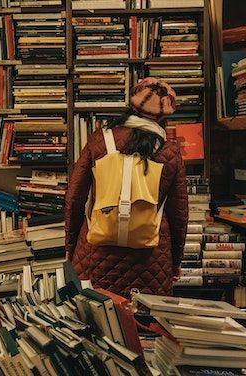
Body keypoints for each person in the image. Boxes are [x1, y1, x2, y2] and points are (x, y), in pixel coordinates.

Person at [65, 78, 188, 298]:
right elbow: (179, 214)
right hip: (151, 260)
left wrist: (71, 247)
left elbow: (74, 198)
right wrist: (176, 261)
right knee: (146, 326)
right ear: (164, 116)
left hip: (95, 254)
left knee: (94, 323)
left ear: (131, 105)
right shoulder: (170, 152)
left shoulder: (99, 141)